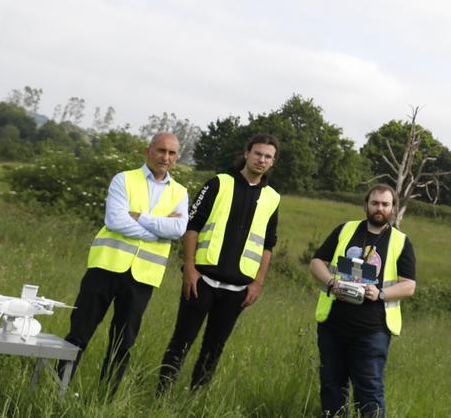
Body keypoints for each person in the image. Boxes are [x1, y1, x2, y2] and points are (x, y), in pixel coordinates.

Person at [63, 132, 189, 392]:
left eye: (172, 153)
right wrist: (157, 231)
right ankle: (56, 389)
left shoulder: (180, 193)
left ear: (177, 158)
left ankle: (104, 401)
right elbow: (115, 221)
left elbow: (177, 230)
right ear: (148, 151)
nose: (165, 157)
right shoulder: (124, 179)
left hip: (142, 278)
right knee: (78, 336)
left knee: (122, 345)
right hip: (105, 268)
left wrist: (139, 217)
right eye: (161, 151)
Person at [156, 133, 281, 392]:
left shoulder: (272, 198)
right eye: (258, 153)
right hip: (201, 280)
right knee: (182, 341)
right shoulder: (218, 183)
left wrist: (258, 282)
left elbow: (268, 244)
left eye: (268, 156)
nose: (262, 160)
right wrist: (188, 267)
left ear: (273, 162)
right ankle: (160, 395)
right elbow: (193, 226)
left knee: (214, 349)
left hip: (237, 290)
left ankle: (194, 399)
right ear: (247, 154)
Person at [310, 183, 417, 417]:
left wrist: (380, 294)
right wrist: (331, 283)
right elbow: (317, 262)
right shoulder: (345, 230)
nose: (380, 208)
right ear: (366, 205)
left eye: (385, 204)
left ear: (393, 208)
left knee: (369, 392)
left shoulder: (400, 242)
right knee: (331, 387)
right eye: (375, 203)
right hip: (333, 325)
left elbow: (409, 286)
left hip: (372, 330)